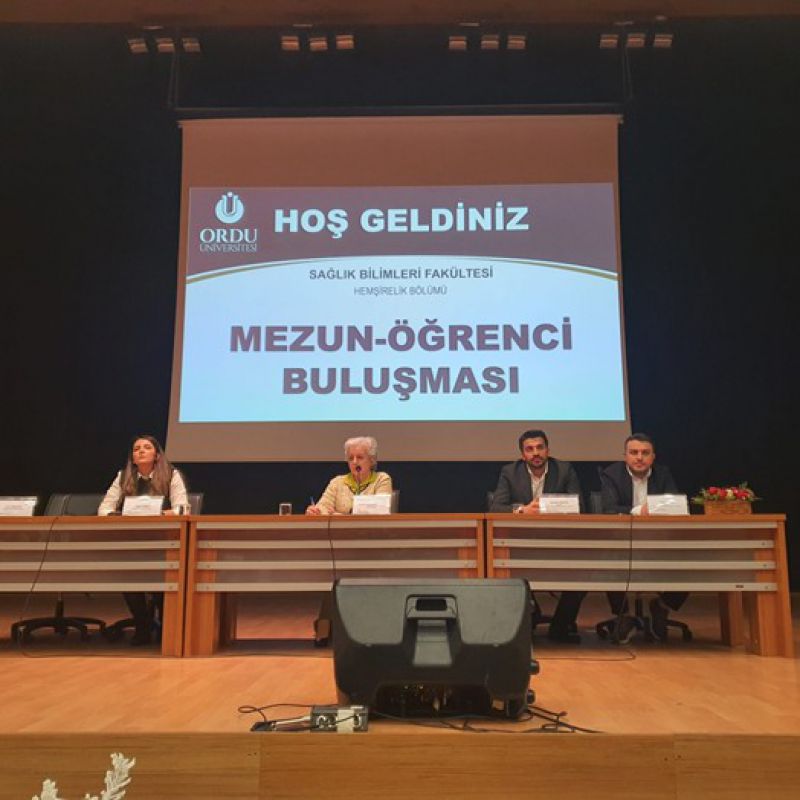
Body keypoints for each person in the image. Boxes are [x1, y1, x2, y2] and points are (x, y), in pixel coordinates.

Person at [490, 429, 586, 643]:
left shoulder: (564, 470)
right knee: (504, 566)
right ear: (522, 455)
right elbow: (496, 507)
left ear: (547, 450)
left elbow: (579, 505)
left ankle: (560, 626)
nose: (536, 453)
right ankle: (529, 615)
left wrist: (547, 508)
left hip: (559, 540)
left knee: (583, 571)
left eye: (540, 448)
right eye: (530, 449)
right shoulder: (510, 472)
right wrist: (522, 510)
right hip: (521, 541)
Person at [98, 434, 189, 644]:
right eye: (136, 448)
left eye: (147, 447)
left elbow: (183, 509)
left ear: (157, 455)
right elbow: (104, 509)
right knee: (129, 576)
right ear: (132, 457)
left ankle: (165, 626)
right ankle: (142, 625)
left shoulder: (171, 475)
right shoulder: (123, 476)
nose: (140, 451)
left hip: (164, 541)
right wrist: (122, 516)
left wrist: (160, 514)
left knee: (162, 580)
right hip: (131, 540)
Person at [600, 432, 688, 640]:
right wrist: (640, 511)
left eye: (645, 453)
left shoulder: (663, 474)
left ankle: (663, 605)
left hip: (659, 539)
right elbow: (609, 509)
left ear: (653, 457)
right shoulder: (611, 474)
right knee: (608, 559)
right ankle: (623, 615)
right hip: (621, 540)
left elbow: (675, 505)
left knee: (690, 561)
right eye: (634, 453)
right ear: (625, 456)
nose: (639, 458)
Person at [306, 436, 392, 515]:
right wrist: (316, 511)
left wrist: (341, 517)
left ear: (371, 460)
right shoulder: (337, 482)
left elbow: (380, 511)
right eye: (351, 458)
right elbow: (323, 507)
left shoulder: (381, 479)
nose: (354, 462)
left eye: (359, 457)